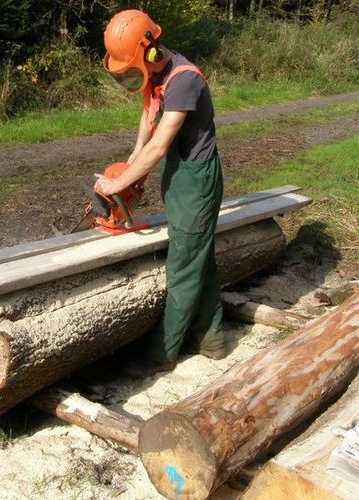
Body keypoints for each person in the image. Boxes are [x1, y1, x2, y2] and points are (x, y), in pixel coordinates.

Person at [94, 9, 226, 375]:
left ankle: (161, 355)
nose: (132, 77)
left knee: (183, 266)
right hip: (179, 172)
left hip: (196, 179)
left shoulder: (184, 81)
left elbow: (159, 145)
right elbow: (148, 117)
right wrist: (132, 157)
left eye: (132, 68)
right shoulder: (157, 74)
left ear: (150, 52)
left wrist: (118, 183)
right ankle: (212, 339)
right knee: (200, 258)